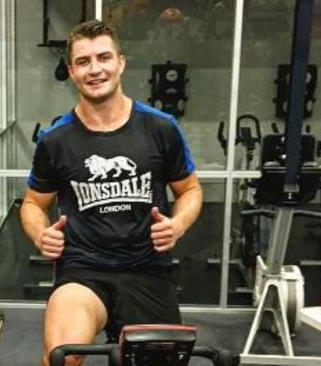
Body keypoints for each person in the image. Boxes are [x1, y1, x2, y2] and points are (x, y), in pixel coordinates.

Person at [20, 20, 203, 366]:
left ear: (120, 62)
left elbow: (190, 189)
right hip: (83, 269)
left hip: (148, 269)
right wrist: (39, 233)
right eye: (84, 61)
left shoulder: (160, 129)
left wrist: (177, 225)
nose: (95, 69)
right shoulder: (56, 140)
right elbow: (32, 202)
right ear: (72, 71)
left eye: (103, 57)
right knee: (63, 355)